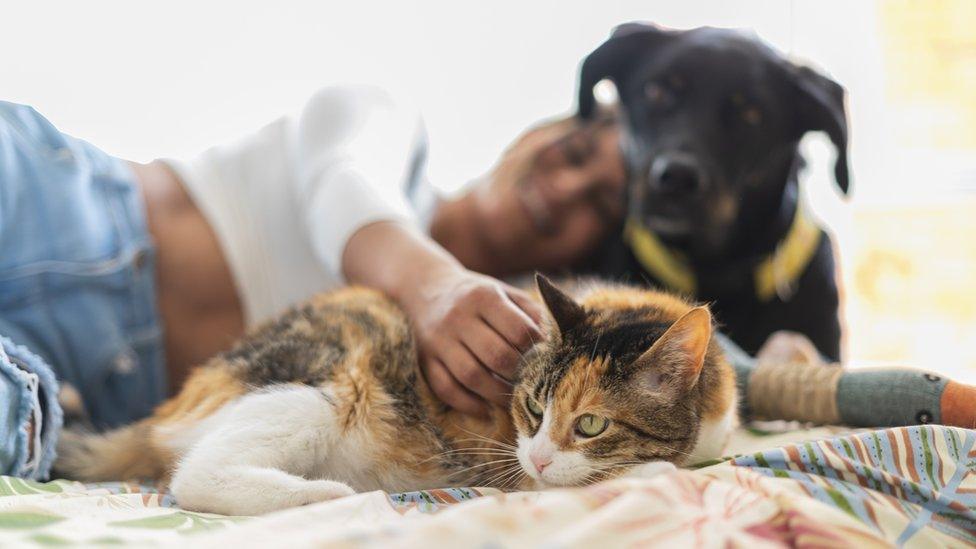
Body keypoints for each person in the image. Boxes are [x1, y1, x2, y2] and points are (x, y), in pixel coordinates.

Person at [2, 86, 973, 481]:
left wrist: (791, 373)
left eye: (601, 199)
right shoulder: (391, 136)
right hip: (61, 205)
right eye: (576, 148)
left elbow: (704, 362)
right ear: (532, 131)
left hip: (71, 381)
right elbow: (349, 194)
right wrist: (431, 289)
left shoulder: (530, 353)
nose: (566, 186)